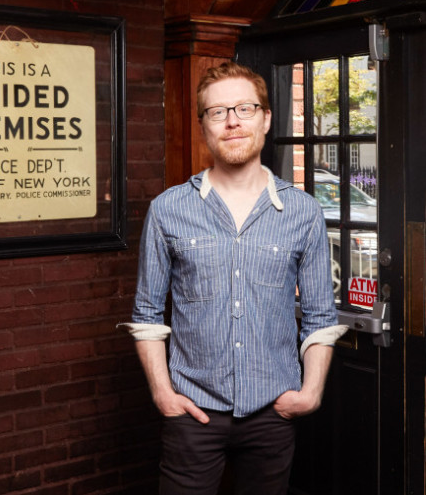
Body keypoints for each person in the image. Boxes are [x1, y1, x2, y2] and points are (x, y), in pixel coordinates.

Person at [119, 61, 347, 495]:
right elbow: (147, 314)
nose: (232, 122)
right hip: (192, 416)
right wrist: (164, 394)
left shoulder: (303, 212)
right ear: (203, 125)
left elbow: (320, 317)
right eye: (218, 112)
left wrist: (311, 392)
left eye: (244, 108)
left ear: (265, 119)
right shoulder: (169, 210)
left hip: (273, 415)